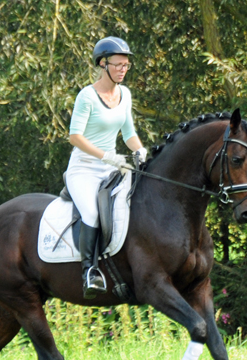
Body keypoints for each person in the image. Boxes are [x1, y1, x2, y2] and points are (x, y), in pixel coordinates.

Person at [66, 36, 147, 299]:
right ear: (103, 64)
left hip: (112, 166)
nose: (124, 69)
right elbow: (75, 137)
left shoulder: (125, 95)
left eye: (126, 65)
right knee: (91, 213)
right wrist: (105, 156)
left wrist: (140, 150)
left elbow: (128, 132)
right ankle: (89, 272)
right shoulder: (86, 96)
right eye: (119, 64)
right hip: (84, 168)